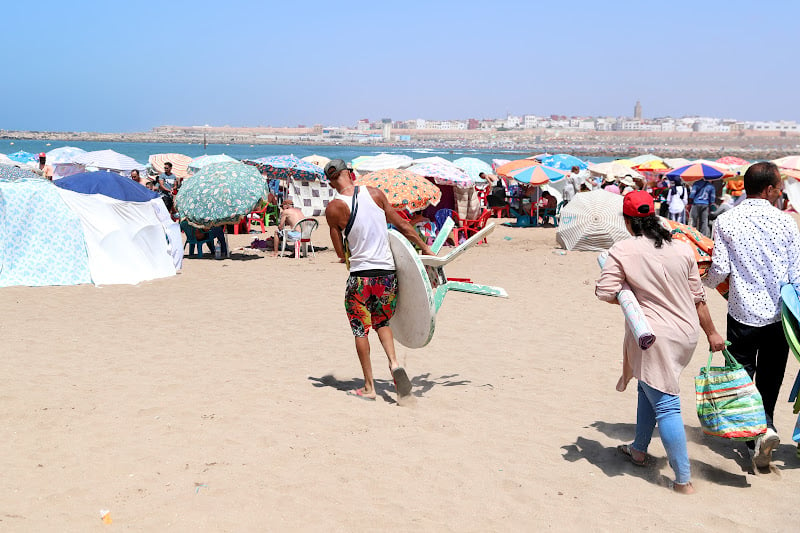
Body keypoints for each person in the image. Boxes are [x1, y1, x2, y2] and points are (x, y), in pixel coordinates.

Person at [596, 191, 725, 495]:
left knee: (666, 404)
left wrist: (631, 296)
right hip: (687, 333)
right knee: (647, 387)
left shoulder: (623, 249)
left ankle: (683, 480)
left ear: (628, 221)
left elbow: (604, 291)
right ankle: (639, 449)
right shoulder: (681, 248)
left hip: (653, 336)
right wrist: (712, 333)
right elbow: (698, 298)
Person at [703, 161, 800, 467]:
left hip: (741, 311)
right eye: (779, 187)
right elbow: (796, 275)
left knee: (742, 375)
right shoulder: (787, 223)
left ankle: (753, 435)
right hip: (779, 315)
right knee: (771, 376)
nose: (781, 191)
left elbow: (719, 270)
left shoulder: (726, 221)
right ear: (769, 189)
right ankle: (767, 425)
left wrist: (705, 281)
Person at [324, 159, 434, 402]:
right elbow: (403, 225)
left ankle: (369, 387)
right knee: (382, 321)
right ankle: (394, 364)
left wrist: (346, 250)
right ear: (350, 173)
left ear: (332, 182)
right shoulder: (376, 194)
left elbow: (340, 254)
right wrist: (425, 248)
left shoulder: (333, 208)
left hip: (360, 278)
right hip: (386, 275)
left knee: (360, 330)